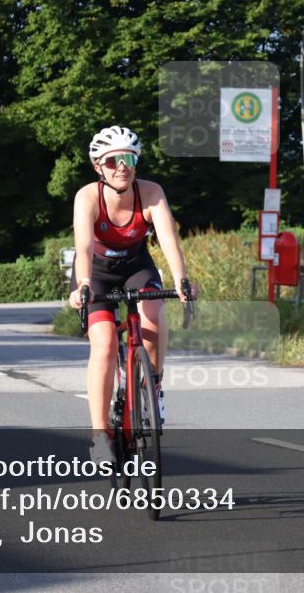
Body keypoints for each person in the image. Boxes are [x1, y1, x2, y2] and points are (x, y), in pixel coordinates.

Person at [68, 126, 197, 464]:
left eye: (129, 158)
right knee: (105, 344)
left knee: (153, 317)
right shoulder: (87, 197)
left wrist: (181, 280)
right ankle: (99, 435)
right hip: (95, 274)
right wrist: (82, 284)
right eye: (113, 161)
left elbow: (168, 239)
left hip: (137, 267)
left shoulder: (151, 192)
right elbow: (83, 247)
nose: (122, 166)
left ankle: (153, 388)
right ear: (98, 166)